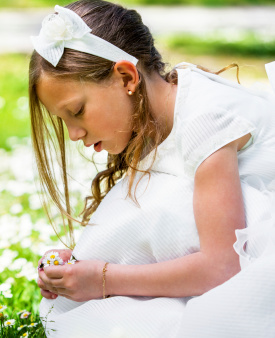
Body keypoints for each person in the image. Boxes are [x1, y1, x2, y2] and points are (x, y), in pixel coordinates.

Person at [28, 0, 275, 337]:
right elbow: (149, 227)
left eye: (78, 111)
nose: (74, 134)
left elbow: (222, 266)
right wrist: (85, 261)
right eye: (63, 120)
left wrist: (102, 279)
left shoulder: (204, 123)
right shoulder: (153, 117)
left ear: (126, 77)